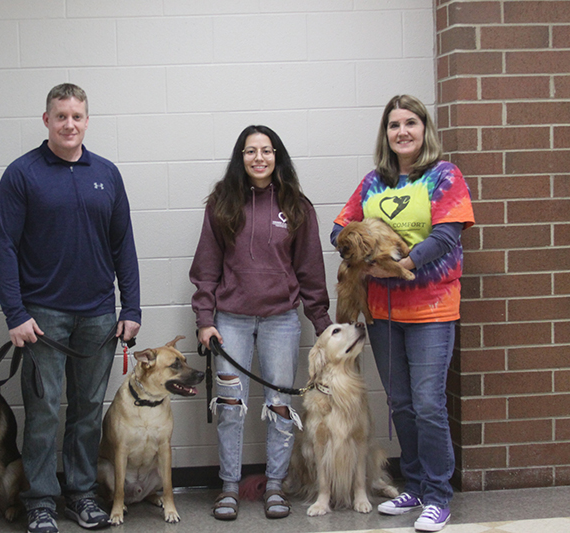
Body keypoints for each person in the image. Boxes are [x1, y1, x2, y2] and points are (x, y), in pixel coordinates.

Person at [0, 83, 141, 533]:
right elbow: (4, 246)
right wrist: (15, 313)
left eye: (77, 116)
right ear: (46, 120)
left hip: (98, 316)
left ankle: (79, 493)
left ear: (87, 121)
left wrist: (130, 307)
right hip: (43, 319)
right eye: (61, 116)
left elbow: (123, 245)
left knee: (86, 411)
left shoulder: (107, 174)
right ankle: (40, 499)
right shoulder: (22, 174)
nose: (69, 124)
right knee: (43, 413)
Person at [331, 94, 475, 532]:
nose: (402, 131)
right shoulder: (374, 182)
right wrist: (359, 250)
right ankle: (413, 484)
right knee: (402, 403)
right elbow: (340, 227)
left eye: (410, 123)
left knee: (430, 403)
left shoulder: (445, 176)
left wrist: (400, 265)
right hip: (383, 311)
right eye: (394, 125)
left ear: (424, 129)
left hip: (431, 306)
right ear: (387, 135)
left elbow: (446, 236)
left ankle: (438, 494)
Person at [190, 125, 331, 521]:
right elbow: (206, 267)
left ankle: (275, 486)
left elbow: (310, 270)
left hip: (281, 321)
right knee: (232, 407)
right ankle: (229, 487)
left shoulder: (297, 205)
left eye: (266, 151)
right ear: (241, 158)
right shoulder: (222, 203)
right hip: (229, 322)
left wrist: (322, 324)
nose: (258, 158)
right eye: (250, 151)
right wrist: (205, 319)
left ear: (277, 156)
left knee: (279, 405)